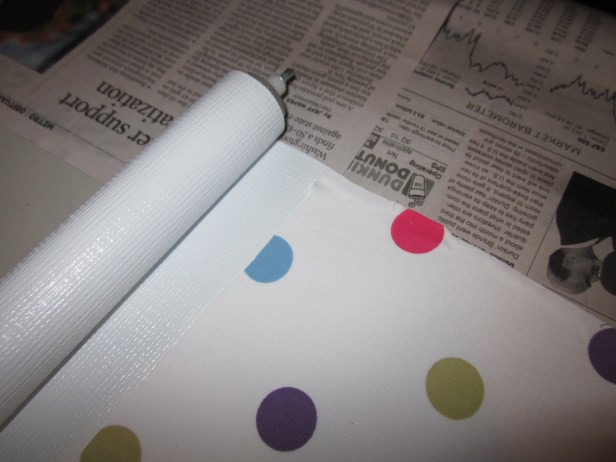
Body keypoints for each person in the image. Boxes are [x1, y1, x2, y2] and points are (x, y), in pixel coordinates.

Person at [547, 172, 616, 296]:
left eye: (586, 279)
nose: (596, 279)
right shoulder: (585, 235)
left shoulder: (571, 217)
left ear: (569, 262)